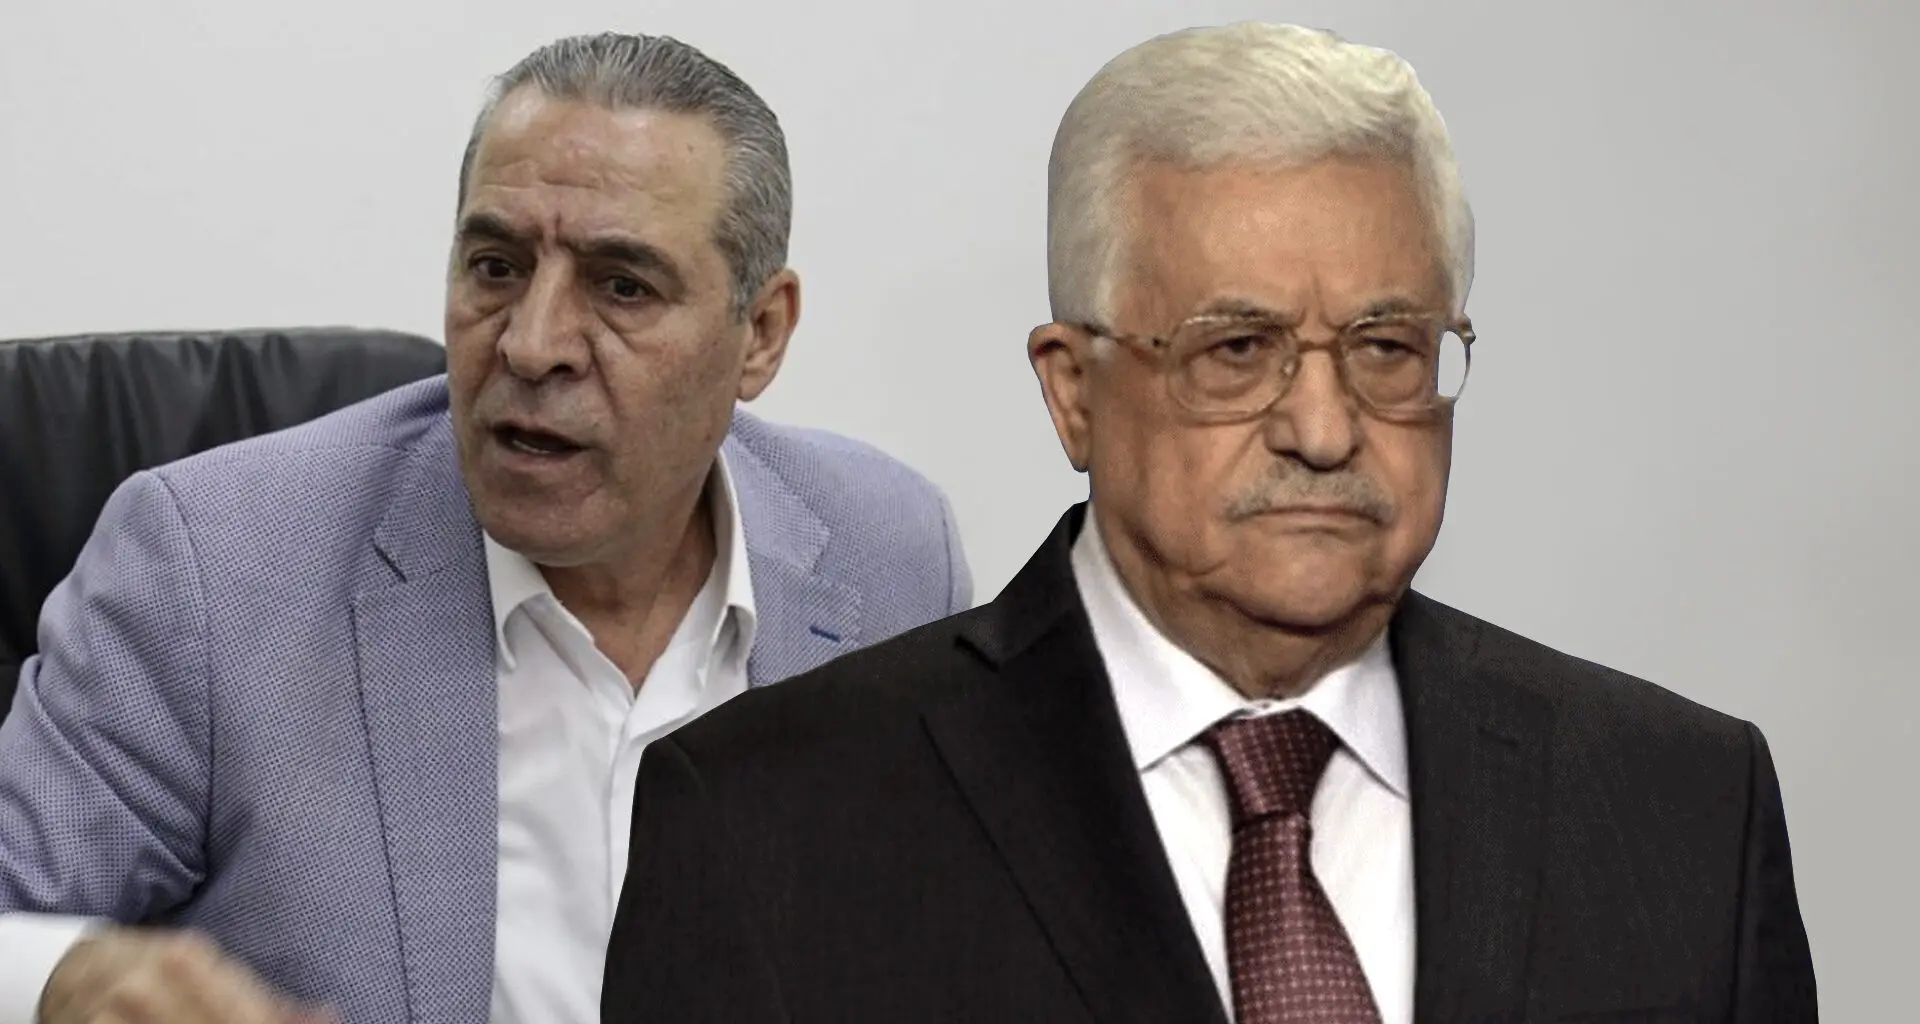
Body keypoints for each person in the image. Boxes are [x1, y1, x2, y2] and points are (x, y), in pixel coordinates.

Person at [600, 22, 1817, 1024]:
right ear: (1073, 392)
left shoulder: (1685, 809)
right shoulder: (769, 825)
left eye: (1388, 348)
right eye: (1238, 350)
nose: (1325, 429)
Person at [0, 32, 971, 1024]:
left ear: (760, 333)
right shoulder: (213, 569)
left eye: (622, 286)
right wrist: (63, 979)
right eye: (497, 267)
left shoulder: (890, 555)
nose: (532, 344)